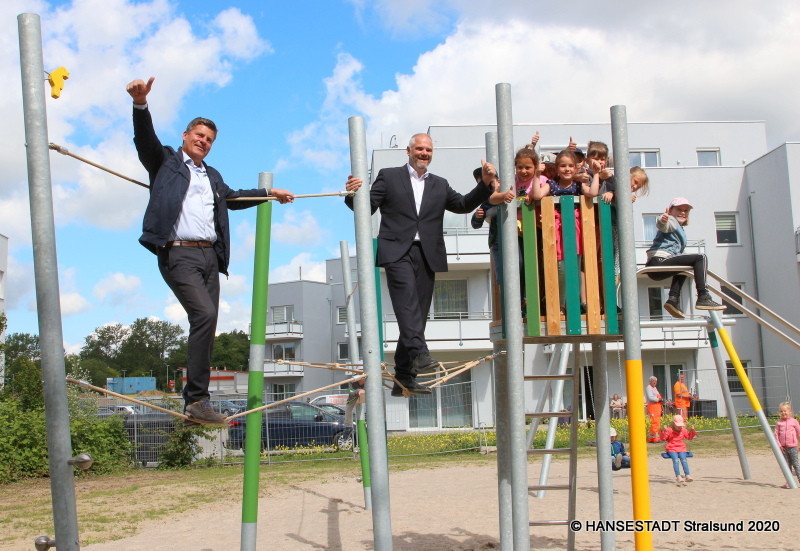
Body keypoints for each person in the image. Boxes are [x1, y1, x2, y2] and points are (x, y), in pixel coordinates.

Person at [126, 77, 295, 425]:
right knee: (203, 315)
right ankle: (197, 400)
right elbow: (145, 141)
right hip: (178, 254)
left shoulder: (212, 176)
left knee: (208, 323)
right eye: (199, 136)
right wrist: (140, 104)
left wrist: (269, 193)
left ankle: (195, 407)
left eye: (209, 140)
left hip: (209, 258)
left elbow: (233, 198)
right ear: (186, 136)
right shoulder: (166, 162)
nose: (203, 142)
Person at [344, 134, 511, 397]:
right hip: (397, 250)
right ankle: (420, 353)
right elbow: (366, 208)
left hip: (427, 254)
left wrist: (486, 183)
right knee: (407, 305)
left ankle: (404, 377)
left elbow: (463, 205)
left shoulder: (439, 184)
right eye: (420, 148)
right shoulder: (389, 176)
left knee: (418, 315)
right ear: (408, 150)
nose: (424, 153)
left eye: (428, 150)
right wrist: (353, 193)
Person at [529, 149, 600, 312]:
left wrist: (596, 174)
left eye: (570, 166)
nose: (567, 169)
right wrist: (537, 175)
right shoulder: (552, 185)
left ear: (575, 168)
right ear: (557, 168)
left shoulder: (578, 185)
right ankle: (560, 303)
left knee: (575, 265)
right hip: (557, 229)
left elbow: (593, 192)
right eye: (563, 166)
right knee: (561, 266)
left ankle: (573, 303)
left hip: (575, 229)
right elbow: (537, 195)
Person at [645, 197, 725, 318]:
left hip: (659, 265)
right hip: (658, 262)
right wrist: (663, 219)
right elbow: (663, 225)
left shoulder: (680, 228)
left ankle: (673, 299)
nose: (683, 212)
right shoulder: (671, 220)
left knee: (686, 265)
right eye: (679, 209)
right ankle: (703, 295)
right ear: (671, 211)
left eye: (686, 210)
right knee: (701, 258)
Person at [660, 414, 696, 484]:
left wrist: (692, 431)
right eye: (678, 425)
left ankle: (687, 475)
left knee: (684, 460)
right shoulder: (669, 430)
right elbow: (663, 438)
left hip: (681, 448)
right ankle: (678, 476)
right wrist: (664, 431)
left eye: (680, 426)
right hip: (671, 448)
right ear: (673, 424)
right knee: (676, 460)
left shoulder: (683, 430)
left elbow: (689, 437)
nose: (679, 427)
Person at [774, 401, 800, 488]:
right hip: (783, 448)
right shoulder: (779, 423)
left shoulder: (794, 422)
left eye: (785, 411)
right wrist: (779, 445)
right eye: (781, 411)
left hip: (793, 447)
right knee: (787, 465)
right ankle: (789, 482)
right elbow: (776, 435)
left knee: (796, 464)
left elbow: (799, 433)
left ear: (790, 412)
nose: (783, 413)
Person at [646, 376, 664, 442]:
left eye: (655, 381)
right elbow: (650, 397)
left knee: (657, 422)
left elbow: (657, 396)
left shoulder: (655, 388)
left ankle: (652, 438)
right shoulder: (649, 387)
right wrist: (659, 399)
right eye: (653, 381)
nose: (654, 382)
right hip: (653, 406)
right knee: (654, 422)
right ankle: (655, 439)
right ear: (650, 381)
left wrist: (661, 400)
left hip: (657, 407)